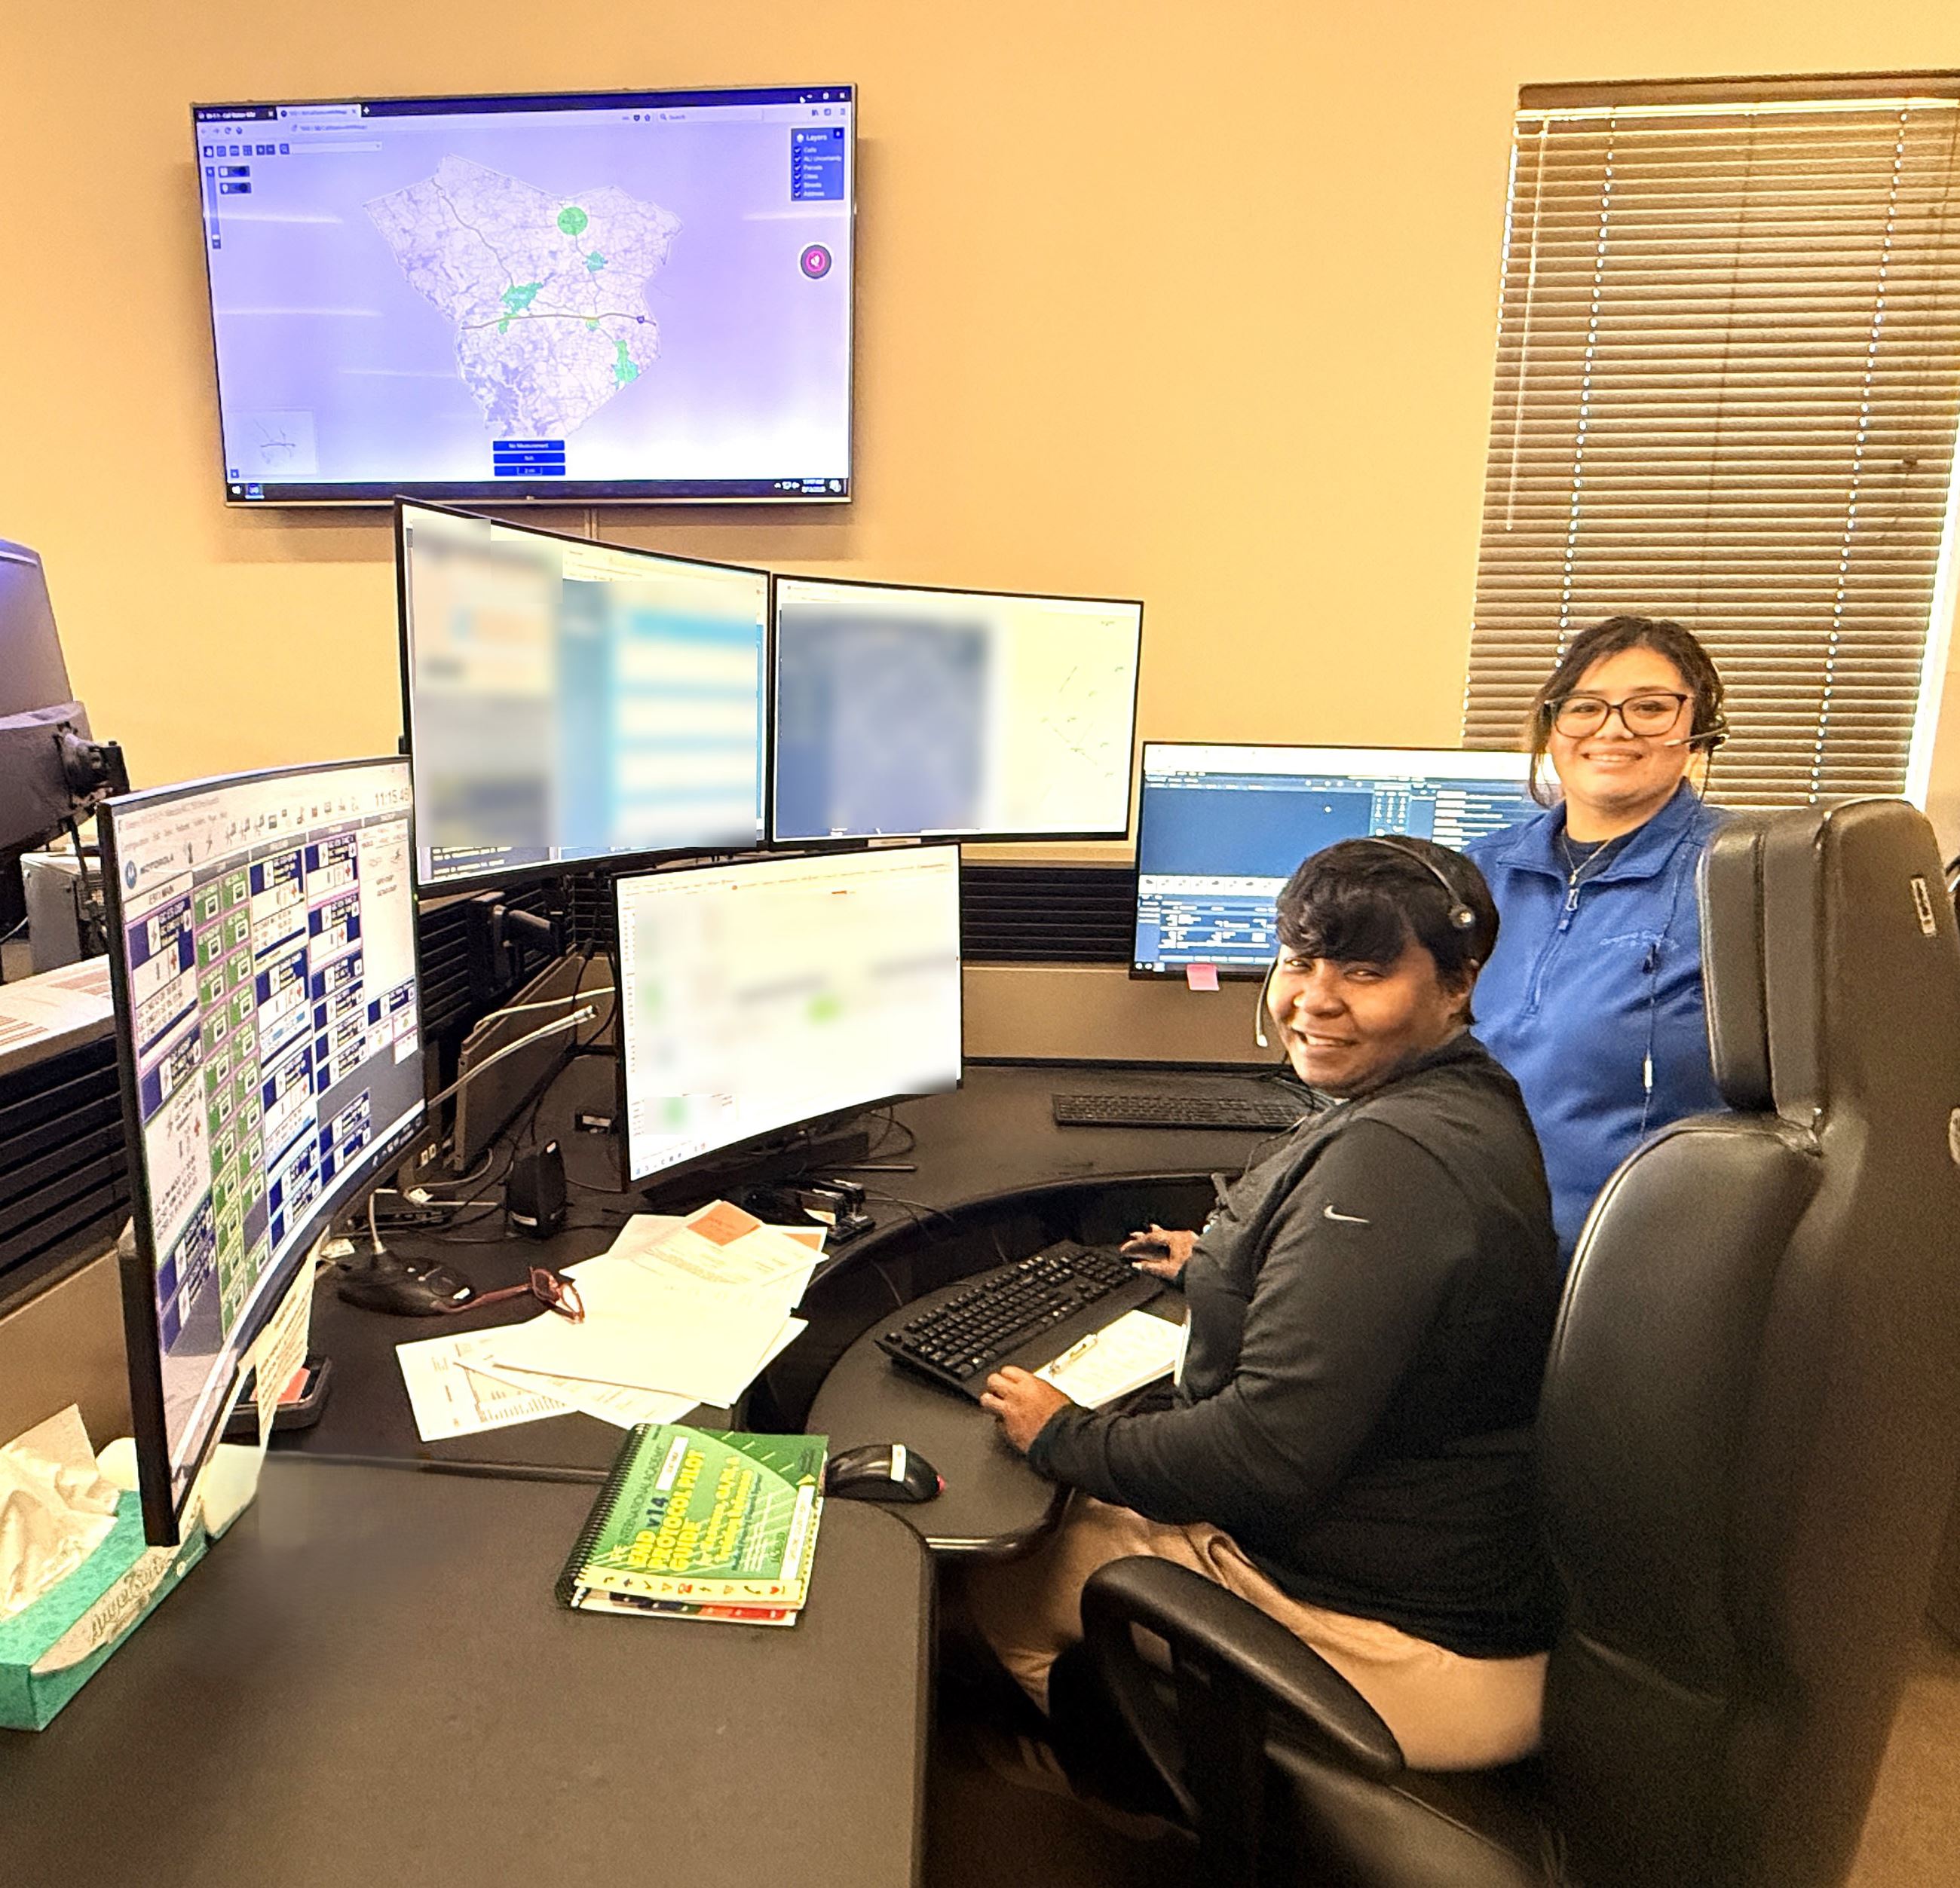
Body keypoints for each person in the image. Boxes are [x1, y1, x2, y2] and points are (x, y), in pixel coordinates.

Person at [966, 837, 1563, 1772]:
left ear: (1456, 984)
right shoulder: (1461, 1098)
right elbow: (1387, 1291)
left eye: (1363, 972)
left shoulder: (1396, 1158)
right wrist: (1227, 1265)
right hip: (1414, 1563)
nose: (1313, 1000)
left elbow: (1259, 1458)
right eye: (1297, 961)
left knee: (999, 1581)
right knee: (1085, 1500)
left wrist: (1059, 1435)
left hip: (1403, 1648)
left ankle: (1113, 1811)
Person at [1464, 615, 1729, 1263]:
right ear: (1552, 729)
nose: (1613, 728)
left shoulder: (1744, 876)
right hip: (1463, 1246)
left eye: (1650, 708)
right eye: (1585, 707)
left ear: (1698, 731)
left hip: (1633, 1267)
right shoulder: (1478, 872)